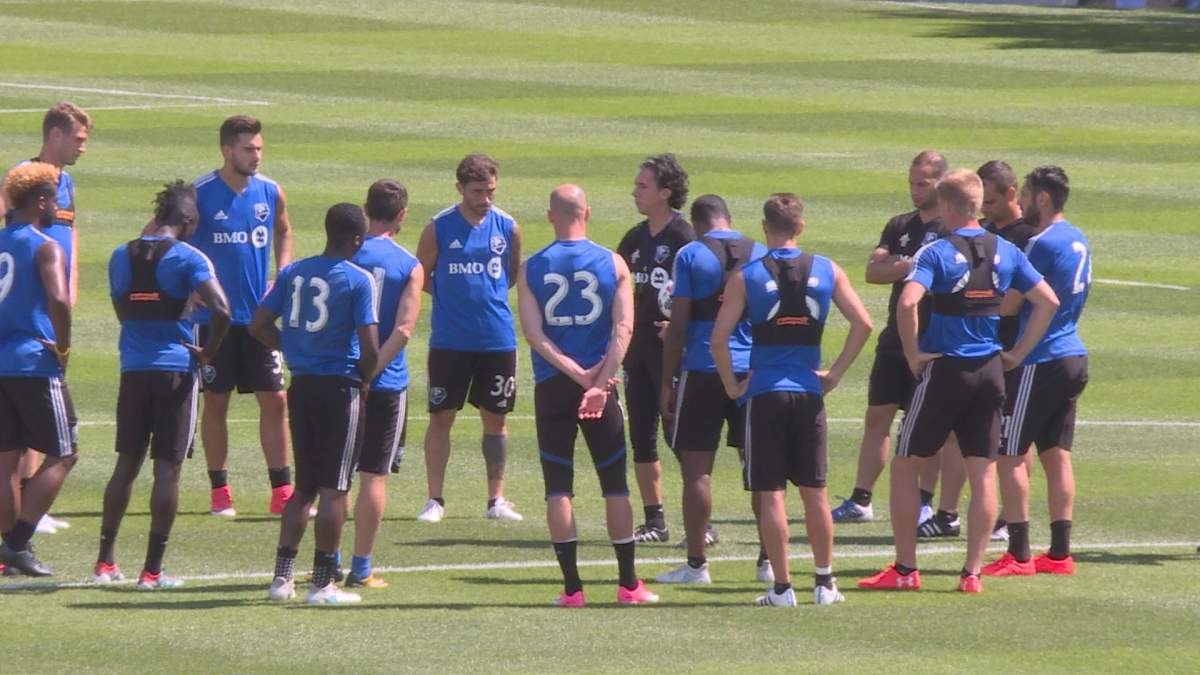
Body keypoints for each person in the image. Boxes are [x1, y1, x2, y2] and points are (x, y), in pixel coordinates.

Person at [858, 169, 1058, 594]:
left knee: (906, 463)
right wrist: (1017, 354)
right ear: (976, 203)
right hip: (990, 372)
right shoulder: (1005, 250)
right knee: (982, 471)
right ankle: (971, 574)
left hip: (945, 369)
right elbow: (1048, 301)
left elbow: (908, 303)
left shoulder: (935, 253)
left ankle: (906, 569)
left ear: (947, 207)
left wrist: (913, 355)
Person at [713, 193, 871, 607]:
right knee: (815, 492)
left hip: (765, 393)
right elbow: (863, 323)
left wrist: (732, 385)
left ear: (764, 228)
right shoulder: (828, 269)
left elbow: (718, 339)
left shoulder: (745, 276)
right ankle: (825, 583)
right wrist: (834, 374)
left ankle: (782, 588)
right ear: (800, 227)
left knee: (771, 494)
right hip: (808, 392)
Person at [518, 184, 657, 606]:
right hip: (603, 386)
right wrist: (598, 381)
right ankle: (628, 585)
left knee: (558, 487)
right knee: (615, 485)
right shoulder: (612, 263)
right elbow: (624, 328)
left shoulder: (531, 267)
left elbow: (535, 334)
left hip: (554, 386)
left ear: (550, 217)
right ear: (588, 212)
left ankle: (573, 589)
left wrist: (576, 375)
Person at [94, 181, 231, 589]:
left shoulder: (122, 254)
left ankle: (104, 562)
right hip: (174, 372)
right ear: (187, 221)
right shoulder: (190, 258)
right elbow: (223, 310)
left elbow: (123, 306)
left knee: (126, 465)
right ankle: (152, 571)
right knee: (167, 470)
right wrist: (207, 354)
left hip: (132, 368)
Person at [250, 203, 379, 605]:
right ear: (357, 239)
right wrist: (365, 377)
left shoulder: (294, 272)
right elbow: (372, 348)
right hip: (341, 389)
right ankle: (323, 583)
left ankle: (281, 579)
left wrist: (291, 346)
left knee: (303, 488)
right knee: (335, 489)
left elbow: (258, 325)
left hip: (302, 386)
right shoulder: (357, 280)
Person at [832, 151, 959, 532]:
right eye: (911, 182)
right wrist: (914, 265)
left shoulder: (951, 229)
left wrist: (902, 267)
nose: (915, 190)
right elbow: (873, 272)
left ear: (941, 182)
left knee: (931, 428)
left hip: (933, 338)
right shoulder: (899, 225)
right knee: (877, 417)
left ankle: (924, 503)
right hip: (894, 340)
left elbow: (947, 277)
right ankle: (861, 499)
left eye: (923, 183)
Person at [982, 166, 1090, 577]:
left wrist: (974, 311)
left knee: (1008, 454)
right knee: (1056, 454)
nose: (1022, 202)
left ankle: (1020, 554)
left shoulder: (1039, 242)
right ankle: (1060, 554)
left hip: (1040, 358)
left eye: (1026, 194)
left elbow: (1013, 303)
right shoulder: (1078, 237)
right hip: (1073, 354)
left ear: (1042, 198)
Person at [656, 194, 768, 584]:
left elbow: (679, 326)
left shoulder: (690, 255)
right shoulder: (761, 252)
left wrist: (667, 383)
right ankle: (768, 562)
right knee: (761, 470)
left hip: (702, 370)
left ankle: (696, 565)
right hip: (752, 371)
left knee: (697, 471)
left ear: (697, 222)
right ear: (729, 218)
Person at [191, 115, 294, 518]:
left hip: (259, 320)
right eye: (249, 149)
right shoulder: (200, 195)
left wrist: (282, 273)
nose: (256, 155)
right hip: (215, 323)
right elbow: (162, 240)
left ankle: (282, 491)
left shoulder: (270, 192)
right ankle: (220, 491)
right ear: (227, 150)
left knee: (276, 399)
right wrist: (188, 288)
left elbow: (284, 231)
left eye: (259, 148)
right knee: (216, 402)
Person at [415, 154, 522, 523]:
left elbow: (509, 274)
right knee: (441, 416)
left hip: (497, 338)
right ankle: (435, 500)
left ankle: (496, 500)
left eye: (490, 191)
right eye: (478, 191)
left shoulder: (508, 227)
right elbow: (420, 276)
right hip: (450, 340)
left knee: (496, 419)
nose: (486, 199)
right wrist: (451, 296)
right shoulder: (439, 227)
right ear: (459, 188)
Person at [8, 102, 92, 535]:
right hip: (31, 305)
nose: (83, 147)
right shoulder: (25, 178)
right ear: (55, 135)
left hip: (51, 294)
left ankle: (26, 508)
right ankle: (24, 511)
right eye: (77, 138)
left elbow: (70, 233)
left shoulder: (67, 182)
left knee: (28, 416)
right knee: (33, 415)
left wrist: (71, 279)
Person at [0, 162, 77, 576]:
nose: (59, 209)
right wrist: (63, 346)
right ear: (42, 200)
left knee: (6, 460)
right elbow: (60, 301)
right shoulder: (45, 246)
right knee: (64, 452)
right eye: (56, 201)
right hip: (33, 364)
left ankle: (7, 555)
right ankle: (16, 544)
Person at [345, 180, 422, 588]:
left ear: (366, 209)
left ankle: (328, 560)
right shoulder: (408, 264)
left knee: (335, 476)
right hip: (387, 382)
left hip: (340, 377)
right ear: (402, 216)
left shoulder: (346, 254)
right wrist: (373, 369)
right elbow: (405, 329)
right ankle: (360, 568)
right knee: (373, 475)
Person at [616, 154, 695, 543]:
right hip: (637, 350)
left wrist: (682, 327)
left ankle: (702, 521)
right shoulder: (633, 239)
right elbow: (620, 291)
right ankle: (655, 521)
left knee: (680, 436)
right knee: (642, 437)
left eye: (642, 185)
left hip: (672, 354)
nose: (635, 191)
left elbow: (708, 292)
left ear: (665, 193)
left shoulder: (685, 239)